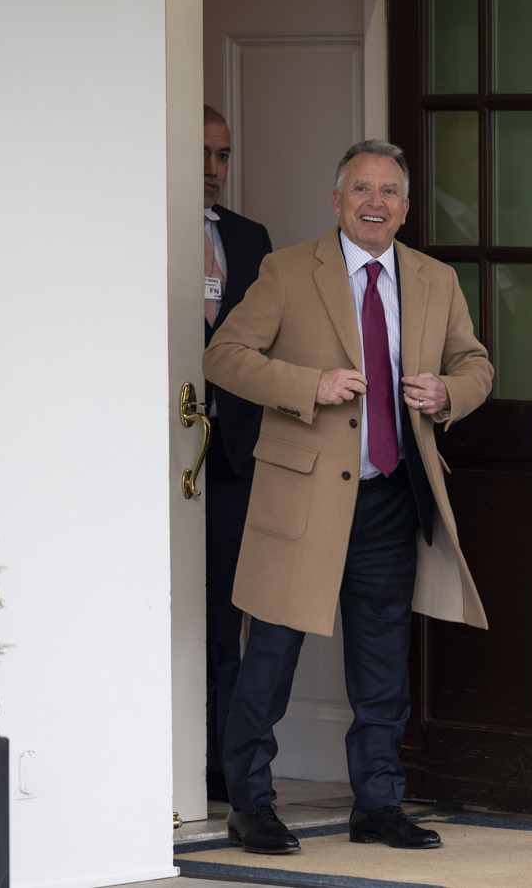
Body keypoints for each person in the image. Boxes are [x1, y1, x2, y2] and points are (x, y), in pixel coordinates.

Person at [202, 139, 492, 854]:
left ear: (405, 207)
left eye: (389, 191)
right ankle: (250, 804)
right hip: (301, 498)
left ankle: (379, 805)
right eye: (361, 189)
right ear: (336, 202)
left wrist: (448, 392)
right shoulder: (286, 270)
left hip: (390, 496)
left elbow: (475, 363)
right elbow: (224, 357)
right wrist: (310, 385)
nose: (375, 202)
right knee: (270, 657)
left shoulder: (434, 278)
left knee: (382, 664)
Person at [202, 105, 273, 803]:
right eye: (201, 153)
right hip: (159, 457)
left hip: (234, 457)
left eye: (223, 155)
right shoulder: (141, 228)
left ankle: (222, 764)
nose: (212, 168)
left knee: (228, 614)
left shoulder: (251, 239)